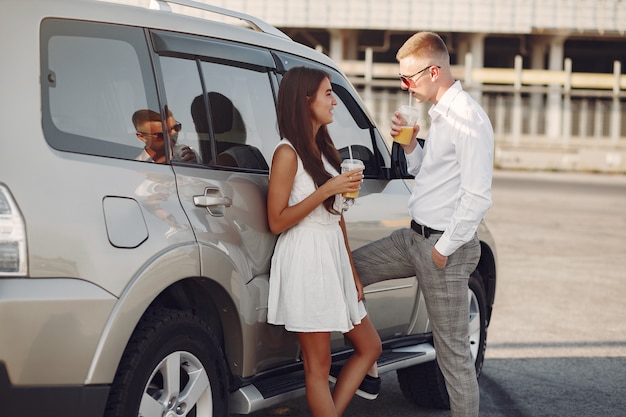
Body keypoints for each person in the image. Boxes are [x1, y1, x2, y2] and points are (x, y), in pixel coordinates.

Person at [352, 32, 494, 417]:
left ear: (434, 71)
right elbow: (428, 177)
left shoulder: (467, 119)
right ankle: (369, 362)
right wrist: (412, 145)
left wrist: (442, 250)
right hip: (411, 239)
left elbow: (477, 196)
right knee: (346, 273)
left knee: (452, 356)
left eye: (409, 77)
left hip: (442, 249)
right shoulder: (441, 116)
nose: (405, 85)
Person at [266, 66, 382, 417]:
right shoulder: (286, 154)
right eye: (328, 93)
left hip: (331, 255)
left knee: (370, 346)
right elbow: (276, 221)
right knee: (318, 366)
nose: (334, 101)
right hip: (305, 255)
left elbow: (337, 217)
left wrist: (352, 272)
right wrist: (327, 190)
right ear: (306, 101)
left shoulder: (324, 148)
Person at [132, 109, 198, 163]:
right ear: (142, 137)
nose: (173, 134)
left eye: (176, 128)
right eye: (162, 135)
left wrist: (195, 168)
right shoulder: (138, 167)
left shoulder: (187, 154)